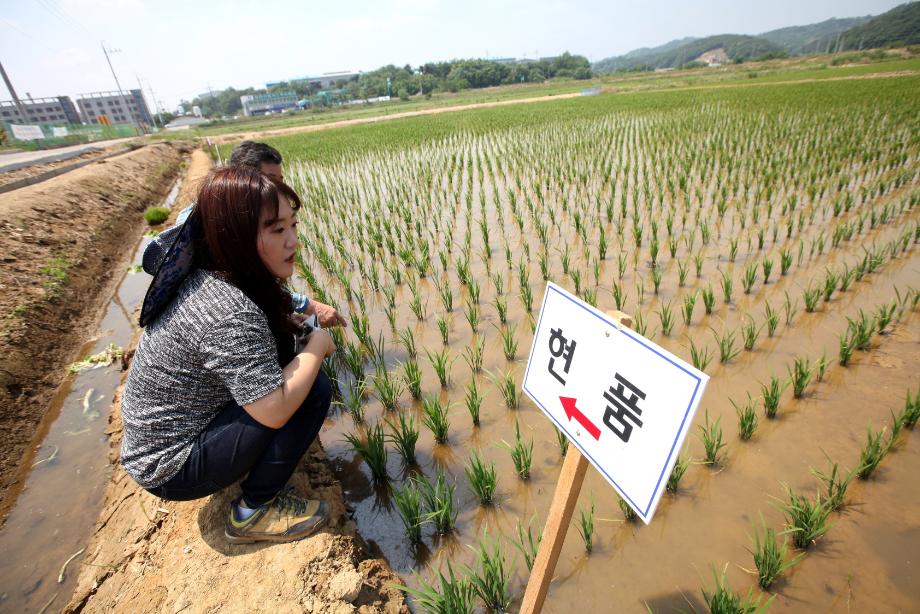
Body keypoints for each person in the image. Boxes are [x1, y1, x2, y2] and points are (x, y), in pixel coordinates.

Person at [122, 167, 337, 544]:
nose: (293, 241)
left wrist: (299, 331)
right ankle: (253, 512)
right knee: (312, 388)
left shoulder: (221, 274)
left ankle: (253, 466)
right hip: (170, 466)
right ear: (235, 237)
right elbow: (275, 409)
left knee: (287, 349)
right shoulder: (227, 310)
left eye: (293, 225)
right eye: (277, 230)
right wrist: (317, 347)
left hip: (176, 433)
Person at [142, 140, 345, 327]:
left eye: (280, 181)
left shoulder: (250, 223)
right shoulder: (211, 228)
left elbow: (255, 284)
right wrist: (313, 338)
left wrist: (290, 312)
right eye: (269, 180)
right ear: (243, 180)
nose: (277, 190)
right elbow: (244, 287)